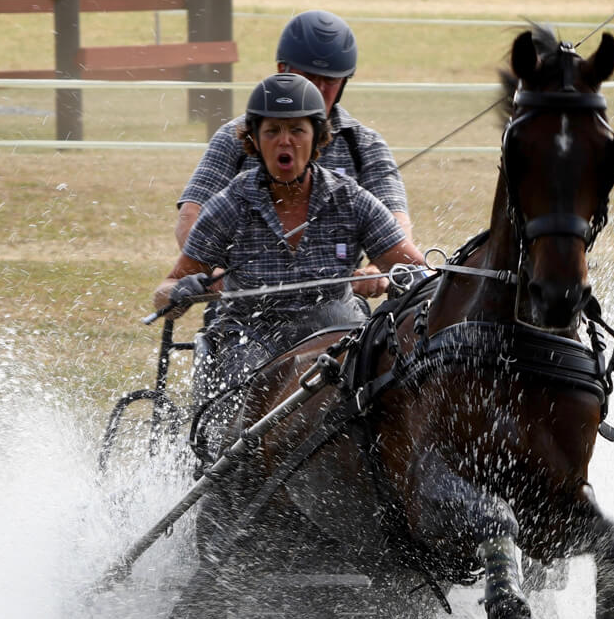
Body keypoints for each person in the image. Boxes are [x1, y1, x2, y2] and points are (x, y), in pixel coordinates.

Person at [154, 73, 425, 395]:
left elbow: (418, 270)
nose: (285, 141)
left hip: (336, 329)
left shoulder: (351, 200)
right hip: (249, 337)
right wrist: (179, 292)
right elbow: (165, 291)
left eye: (297, 130)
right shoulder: (229, 205)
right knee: (244, 388)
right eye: (272, 131)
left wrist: (385, 277)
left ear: (317, 138)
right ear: (254, 141)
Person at [175, 9, 412, 260]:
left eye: (330, 81)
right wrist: (214, 271)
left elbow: (397, 222)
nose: (319, 89)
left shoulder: (364, 145)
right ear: (282, 70)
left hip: (341, 284)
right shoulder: (236, 136)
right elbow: (191, 215)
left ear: (344, 82)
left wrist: (379, 271)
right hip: (247, 282)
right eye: (309, 77)